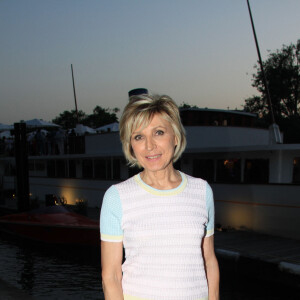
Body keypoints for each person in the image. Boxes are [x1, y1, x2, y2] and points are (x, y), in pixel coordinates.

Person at [100, 94, 219, 300]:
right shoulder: (117, 197)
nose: (149, 146)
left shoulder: (202, 191)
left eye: (159, 132)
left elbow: (209, 260)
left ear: (175, 136)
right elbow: (111, 276)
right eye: (138, 137)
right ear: (130, 145)